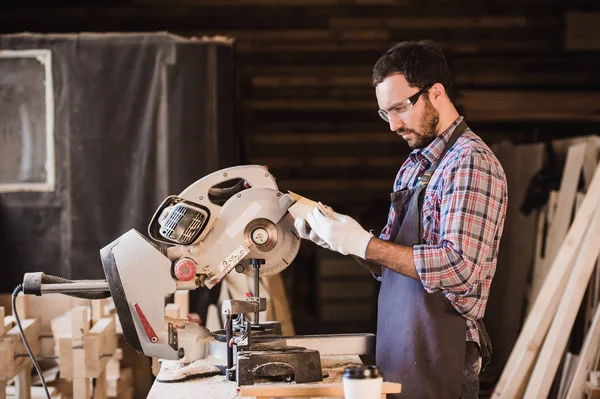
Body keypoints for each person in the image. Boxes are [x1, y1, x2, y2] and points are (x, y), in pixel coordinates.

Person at [294, 40, 508, 398]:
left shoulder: (470, 162)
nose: (393, 124)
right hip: (402, 347)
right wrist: (339, 239)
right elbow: (389, 263)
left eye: (399, 108)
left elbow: (458, 268)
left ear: (435, 92)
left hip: (443, 350)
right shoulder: (413, 166)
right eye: (384, 113)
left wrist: (365, 243)